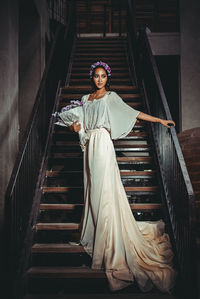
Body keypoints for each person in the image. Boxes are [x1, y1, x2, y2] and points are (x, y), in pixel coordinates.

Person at [68, 61, 177, 293]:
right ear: (92, 78)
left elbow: (133, 112)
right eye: (96, 76)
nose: (99, 80)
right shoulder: (85, 100)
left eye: (103, 76)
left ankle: (107, 245)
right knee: (92, 194)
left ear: (107, 78)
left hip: (104, 146)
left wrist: (158, 120)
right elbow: (82, 130)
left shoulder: (112, 97)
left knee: (104, 194)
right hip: (89, 149)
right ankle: (98, 234)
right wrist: (76, 130)